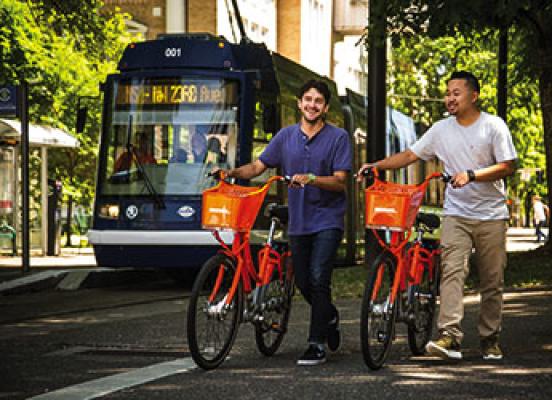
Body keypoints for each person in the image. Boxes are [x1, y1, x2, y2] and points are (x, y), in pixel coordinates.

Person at [358, 71, 517, 361]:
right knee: (452, 272)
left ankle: (489, 337)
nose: (449, 98)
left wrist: (471, 175)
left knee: (492, 280)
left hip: (492, 215)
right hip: (456, 212)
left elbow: (508, 166)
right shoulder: (441, 129)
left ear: (473, 95)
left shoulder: (493, 126)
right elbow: (410, 155)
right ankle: (449, 336)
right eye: (447, 93)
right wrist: (376, 165)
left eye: (456, 93)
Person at [214, 79, 351, 366]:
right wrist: (231, 172)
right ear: (300, 103)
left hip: (327, 219)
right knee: (302, 281)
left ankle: (316, 344)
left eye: (318, 101)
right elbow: (258, 167)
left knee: (318, 277)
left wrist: (312, 178)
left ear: (325, 107)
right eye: (308, 99)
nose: (312, 105)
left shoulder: (338, 138)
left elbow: (341, 182)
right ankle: (330, 316)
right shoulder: (285, 136)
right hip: (299, 222)